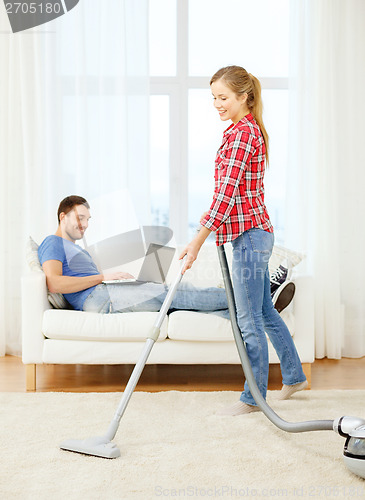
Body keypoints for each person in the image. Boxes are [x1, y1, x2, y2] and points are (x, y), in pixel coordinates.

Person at [179, 66, 307, 415]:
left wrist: (196, 242)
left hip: (251, 237)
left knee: (248, 318)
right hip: (253, 234)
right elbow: (230, 196)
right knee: (263, 311)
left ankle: (253, 397)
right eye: (214, 98)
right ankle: (294, 376)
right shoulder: (242, 130)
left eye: (223, 98)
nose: (217, 104)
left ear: (243, 97)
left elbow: (225, 197)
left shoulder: (242, 135)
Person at [38, 195, 229, 316]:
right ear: (63, 217)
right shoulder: (53, 242)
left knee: (175, 298)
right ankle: (241, 299)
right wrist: (103, 277)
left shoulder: (75, 249)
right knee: (174, 293)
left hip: (102, 294)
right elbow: (54, 283)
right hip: (98, 297)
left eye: (87, 219)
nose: (85, 224)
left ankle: (240, 311)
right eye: (80, 218)